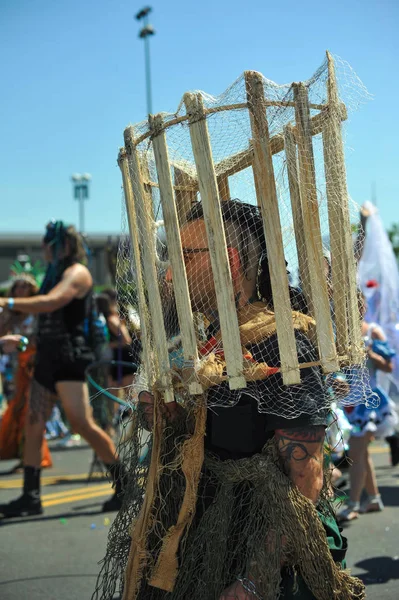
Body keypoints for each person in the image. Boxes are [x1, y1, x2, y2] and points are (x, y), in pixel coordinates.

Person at [95, 201, 364, 600]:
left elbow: (306, 479)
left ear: (229, 260)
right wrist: (168, 414)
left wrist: (254, 580)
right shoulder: (214, 340)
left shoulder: (282, 346)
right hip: (212, 539)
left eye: (187, 256)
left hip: (269, 558)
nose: (172, 272)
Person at [0, 221, 126, 518]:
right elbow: (47, 320)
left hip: (69, 359)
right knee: (34, 425)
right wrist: (24, 343)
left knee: (82, 424)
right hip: (46, 358)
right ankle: (30, 497)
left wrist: (8, 300)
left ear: (64, 246)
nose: (45, 249)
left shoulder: (77, 273)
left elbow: (52, 303)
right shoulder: (54, 275)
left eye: (49, 244)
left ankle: (125, 484)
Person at [339, 299, 398, 521]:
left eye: (353, 305)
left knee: (355, 453)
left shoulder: (374, 332)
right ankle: (373, 498)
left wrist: (370, 353)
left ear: (361, 306)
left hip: (370, 402)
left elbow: (389, 366)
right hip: (349, 404)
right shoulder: (338, 335)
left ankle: (353, 504)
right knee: (361, 453)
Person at [0, 274, 52, 470]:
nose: (21, 290)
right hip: (12, 368)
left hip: (34, 365)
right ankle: (24, 455)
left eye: (25, 286)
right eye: (17, 287)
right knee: (16, 408)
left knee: (31, 411)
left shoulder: (38, 312)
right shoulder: (10, 314)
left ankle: (31, 458)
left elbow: (43, 338)